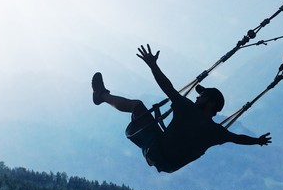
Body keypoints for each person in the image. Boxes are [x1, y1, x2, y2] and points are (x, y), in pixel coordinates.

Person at [93, 44, 272, 172]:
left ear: (209, 103)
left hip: (156, 150)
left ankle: (101, 95)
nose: (196, 97)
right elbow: (238, 138)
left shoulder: (187, 109)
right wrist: (258, 141)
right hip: (168, 165)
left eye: (201, 96)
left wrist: (153, 65)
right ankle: (102, 95)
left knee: (137, 106)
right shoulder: (216, 132)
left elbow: (167, 87)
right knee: (144, 115)